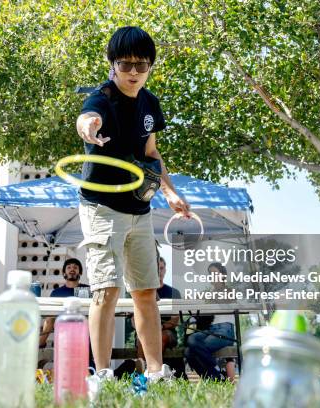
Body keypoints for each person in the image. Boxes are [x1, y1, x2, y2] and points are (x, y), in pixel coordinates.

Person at [76, 26, 190, 383]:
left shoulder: (149, 103)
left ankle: (156, 372)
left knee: (145, 291)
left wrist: (170, 192)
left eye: (142, 65)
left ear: (150, 67)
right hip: (101, 206)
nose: (133, 72)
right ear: (111, 64)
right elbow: (86, 118)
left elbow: (151, 153)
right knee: (107, 289)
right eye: (125, 64)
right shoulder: (102, 98)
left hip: (139, 209)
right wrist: (89, 127)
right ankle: (103, 375)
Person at [184, 263, 236, 382]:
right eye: (210, 274)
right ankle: (215, 377)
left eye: (214, 273)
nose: (211, 276)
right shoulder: (208, 293)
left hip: (225, 330)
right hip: (211, 330)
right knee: (188, 349)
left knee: (195, 348)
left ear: (223, 275)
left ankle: (216, 373)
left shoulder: (230, 291)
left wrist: (204, 297)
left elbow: (225, 301)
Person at [38, 258, 89, 348]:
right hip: (63, 336)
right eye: (69, 267)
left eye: (75, 267)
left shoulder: (87, 290)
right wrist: (41, 342)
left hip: (84, 336)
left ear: (80, 272)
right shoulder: (56, 293)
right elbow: (50, 320)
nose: (72, 269)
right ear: (64, 273)